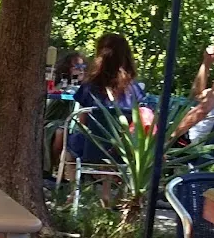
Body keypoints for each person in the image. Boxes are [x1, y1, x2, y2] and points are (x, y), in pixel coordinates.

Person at [52, 33, 145, 165]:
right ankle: (106, 182)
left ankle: (72, 183)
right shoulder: (135, 90)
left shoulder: (89, 87)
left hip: (92, 147)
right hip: (122, 150)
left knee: (68, 142)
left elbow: (83, 122)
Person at [176, 30, 214, 141]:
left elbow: (203, 109)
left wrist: (170, 138)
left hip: (197, 143)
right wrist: (206, 63)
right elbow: (196, 95)